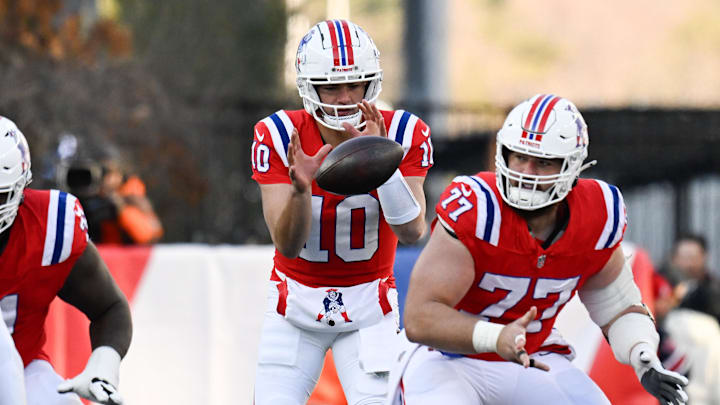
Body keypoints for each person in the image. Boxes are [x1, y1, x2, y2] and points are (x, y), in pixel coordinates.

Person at [388, 94, 688, 405]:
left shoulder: (597, 213)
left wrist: (642, 355)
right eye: (519, 156)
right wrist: (496, 336)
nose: (526, 171)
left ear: (572, 166)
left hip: (532, 357)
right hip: (448, 360)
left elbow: (616, 304)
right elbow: (421, 318)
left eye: (543, 162)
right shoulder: (478, 208)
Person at [250, 19, 433, 405]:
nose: (345, 97)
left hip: (371, 308)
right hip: (294, 306)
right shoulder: (281, 134)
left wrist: (382, 164)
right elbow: (286, 244)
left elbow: (413, 232)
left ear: (373, 83)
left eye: (355, 84)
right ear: (308, 87)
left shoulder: (403, 131)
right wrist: (301, 189)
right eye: (331, 86)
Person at [0, 116, 132, 405]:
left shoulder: (50, 227)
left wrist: (103, 364)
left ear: (21, 189)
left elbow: (110, 307)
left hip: (22, 370)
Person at [56, 145, 163, 245]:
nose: (100, 178)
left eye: (105, 172)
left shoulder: (132, 198)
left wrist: (121, 210)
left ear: (119, 174)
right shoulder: (78, 200)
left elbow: (149, 235)